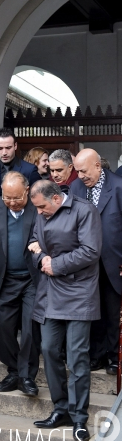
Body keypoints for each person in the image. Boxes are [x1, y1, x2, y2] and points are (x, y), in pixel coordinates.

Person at [29, 180, 101, 441]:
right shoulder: (42, 213)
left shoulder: (84, 211)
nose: (38, 212)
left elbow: (91, 251)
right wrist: (41, 260)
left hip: (79, 294)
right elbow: (34, 242)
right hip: (50, 293)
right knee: (48, 349)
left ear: (57, 199)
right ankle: (61, 408)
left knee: (77, 355)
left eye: (41, 207)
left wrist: (55, 264)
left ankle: (79, 417)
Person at [0, 172, 40, 396]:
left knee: (31, 328)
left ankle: (27, 376)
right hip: (5, 279)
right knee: (4, 328)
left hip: (32, 279)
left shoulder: (37, 206)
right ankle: (13, 370)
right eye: (7, 198)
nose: (12, 203)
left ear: (27, 190)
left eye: (17, 198)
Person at [71, 148, 122, 375]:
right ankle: (96, 355)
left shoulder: (119, 187)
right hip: (85, 265)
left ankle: (114, 357)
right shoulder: (75, 188)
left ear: (98, 166)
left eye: (83, 171)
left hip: (113, 263)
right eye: (77, 171)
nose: (80, 175)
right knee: (92, 313)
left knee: (112, 313)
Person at [0, 128, 41, 199]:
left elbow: (38, 197)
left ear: (15, 146)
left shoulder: (30, 170)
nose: (4, 153)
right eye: (0, 148)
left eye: (8, 148)